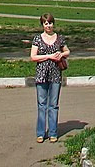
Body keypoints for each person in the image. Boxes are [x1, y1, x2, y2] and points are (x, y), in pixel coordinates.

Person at [30, 13, 70, 143]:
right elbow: (33, 57)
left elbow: (67, 51)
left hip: (55, 75)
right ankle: (41, 133)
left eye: (50, 23)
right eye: (46, 23)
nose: (48, 26)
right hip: (41, 75)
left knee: (53, 105)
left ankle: (53, 132)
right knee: (42, 104)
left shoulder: (59, 38)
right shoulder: (37, 39)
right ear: (42, 25)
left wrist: (61, 54)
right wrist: (48, 56)